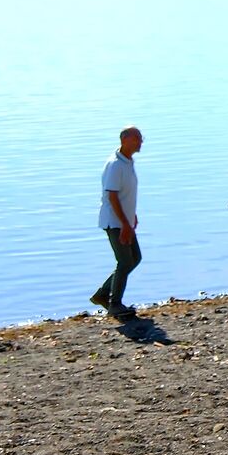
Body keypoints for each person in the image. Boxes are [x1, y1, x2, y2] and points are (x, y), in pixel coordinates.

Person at [93, 126, 143, 318]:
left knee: (134, 258)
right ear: (124, 140)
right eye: (135, 139)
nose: (140, 143)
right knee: (124, 261)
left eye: (140, 139)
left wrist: (132, 215)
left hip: (125, 221)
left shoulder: (128, 162)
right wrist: (124, 224)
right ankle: (114, 304)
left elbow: (125, 194)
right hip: (115, 222)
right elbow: (112, 196)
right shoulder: (115, 165)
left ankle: (103, 295)